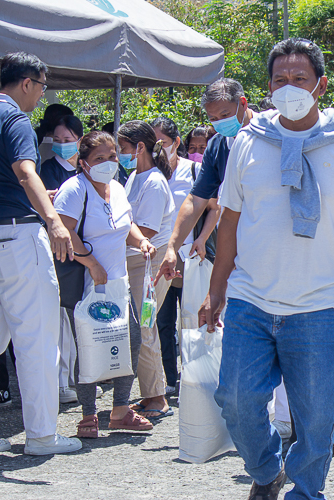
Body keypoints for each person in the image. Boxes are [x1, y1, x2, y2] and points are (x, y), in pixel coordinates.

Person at [200, 38, 334, 500]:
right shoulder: (249, 139)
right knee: (236, 401)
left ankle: (306, 492)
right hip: (251, 301)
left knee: (316, 419)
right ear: (268, 87)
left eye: (299, 79)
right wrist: (216, 288)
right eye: (280, 81)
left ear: (320, 85)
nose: (290, 88)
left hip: (317, 307)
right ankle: (266, 470)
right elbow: (229, 221)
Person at [0, 52, 81, 456]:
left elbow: (0, 181)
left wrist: (35, 206)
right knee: (39, 339)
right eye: (42, 87)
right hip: (19, 239)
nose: (41, 97)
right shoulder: (15, 119)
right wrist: (54, 220)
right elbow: (26, 172)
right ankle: (42, 435)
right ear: (27, 82)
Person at [54, 131, 156, 437]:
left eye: (112, 156)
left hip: (117, 282)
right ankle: (88, 415)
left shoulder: (117, 188)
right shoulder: (74, 189)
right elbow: (63, 230)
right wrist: (91, 263)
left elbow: (126, 225)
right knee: (89, 345)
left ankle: (120, 410)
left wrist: (142, 242)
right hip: (88, 282)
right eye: (100, 158)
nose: (109, 163)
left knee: (130, 341)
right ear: (83, 163)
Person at [155, 78, 256, 286]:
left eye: (225, 115)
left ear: (243, 103)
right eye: (213, 118)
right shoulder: (218, 145)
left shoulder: (272, 134)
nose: (219, 122)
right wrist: (172, 247)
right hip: (234, 251)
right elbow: (196, 200)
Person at [151, 117, 219, 394]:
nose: (157, 149)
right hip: (157, 258)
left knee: (192, 318)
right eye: (151, 144)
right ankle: (169, 380)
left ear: (177, 143)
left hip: (190, 257)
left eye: (162, 143)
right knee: (162, 321)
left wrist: (202, 239)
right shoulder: (147, 173)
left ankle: (196, 377)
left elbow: (214, 207)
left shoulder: (195, 170)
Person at [117, 120, 175, 421]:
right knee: (141, 326)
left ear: (140, 148)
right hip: (137, 261)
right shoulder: (134, 178)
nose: (119, 154)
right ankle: (151, 392)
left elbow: (147, 230)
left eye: (123, 148)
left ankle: (157, 397)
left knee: (145, 325)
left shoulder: (152, 181)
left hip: (149, 262)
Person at [37, 113, 85, 404]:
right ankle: (63, 380)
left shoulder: (87, 168)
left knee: (80, 317)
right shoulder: (47, 169)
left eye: (68, 140)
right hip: (59, 250)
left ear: (79, 140)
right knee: (61, 317)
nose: (63, 145)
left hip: (85, 249)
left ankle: (82, 375)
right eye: (57, 140)